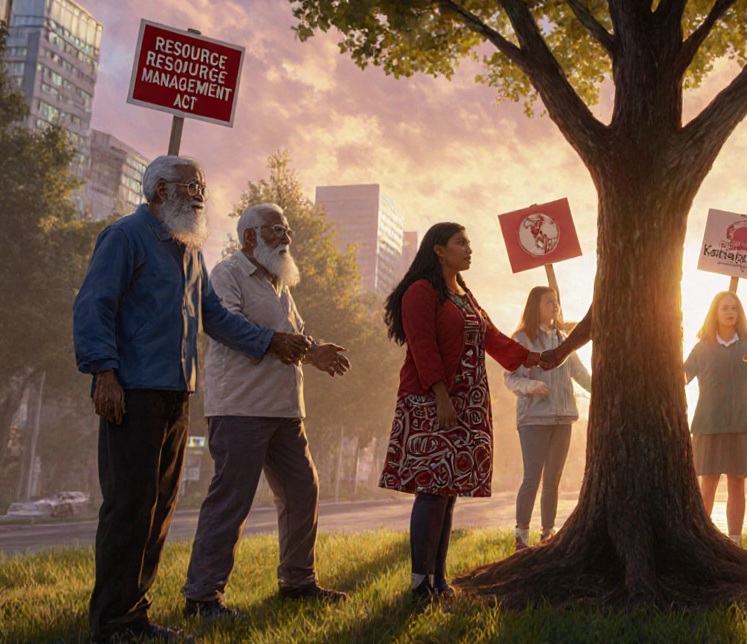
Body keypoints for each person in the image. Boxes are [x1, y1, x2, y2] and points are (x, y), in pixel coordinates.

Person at [73, 156, 310, 643]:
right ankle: (112, 622)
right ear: (160, 189)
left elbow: (215, 318)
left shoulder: (187, 250)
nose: (201, 193)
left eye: (202, 184)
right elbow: (94, 304)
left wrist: (271, 342)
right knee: (129, 506)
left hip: (176, 391)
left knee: (159, 506)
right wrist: (103, 373)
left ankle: (133, 616)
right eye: (190, 185)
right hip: (132, 391)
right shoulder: (125, 237)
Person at [182, 204, 352, 622]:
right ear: (250, 238)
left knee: (302, 490)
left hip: (285, 410)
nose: (287, 237)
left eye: (288, 230)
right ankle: (202, 597)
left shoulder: (280, 285)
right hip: (240, 408)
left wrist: (315, 352)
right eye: (278, 230)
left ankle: (297, 582)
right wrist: (275, 341)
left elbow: (289, 341)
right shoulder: (229, 273)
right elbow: (222, 322)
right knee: (232, 499)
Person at [380, 222, 540, 603]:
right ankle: (420, 583)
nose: (469, 249)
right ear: (438, 249)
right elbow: (422, 345)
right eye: (461, 242)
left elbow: (494, 338)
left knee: (448, 493)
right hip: (432, 402)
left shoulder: (464, 295)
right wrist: (440, 395)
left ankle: (438, 579)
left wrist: (535, 358)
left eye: (469, 242)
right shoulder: (420, 292)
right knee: (432, 491)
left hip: (468, 403)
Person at [684, 292, 747, 546]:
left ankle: (734, 542)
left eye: (734, 308)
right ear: (714, 313)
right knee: (708, 482)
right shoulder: (701, 347)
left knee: (737, 482)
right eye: (724, 308)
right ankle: (703, 541)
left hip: (740, 423)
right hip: (708, 423)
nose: (730, 312)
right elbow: (680, 378)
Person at [503, 286, 591, 551]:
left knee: (553, 479)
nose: (555, 305)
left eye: (556, 301)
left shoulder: (565, 340)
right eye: (549, 302)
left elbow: (580, 374)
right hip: (533, 419)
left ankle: (547, 534)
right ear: (536, 307)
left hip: (563, 419)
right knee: (532, 478)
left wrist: (605, 390)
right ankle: (521, 535)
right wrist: (531, 387)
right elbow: (510, 377)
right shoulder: (522, 340)